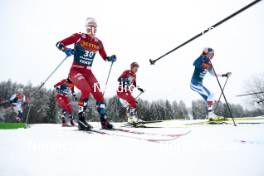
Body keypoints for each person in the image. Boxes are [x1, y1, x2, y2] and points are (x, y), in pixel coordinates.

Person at [56, 17, 116, 130]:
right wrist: (66, 49)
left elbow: (104, 57)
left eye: (94, 26)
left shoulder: (98, 42)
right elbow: (59, 43)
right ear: (86, 27)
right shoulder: (79, 36)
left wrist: (110, 58)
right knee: (86, 90)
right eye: (90, 26)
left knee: (98, 93)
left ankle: (104, 120)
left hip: (88, 71)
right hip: (75, 70)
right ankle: (81, 120)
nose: (92, 28)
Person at [190, 47, 231, 120]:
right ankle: (210, 114)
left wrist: (224, 75)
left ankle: (210, 115)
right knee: (210, 94)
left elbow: (213, 74)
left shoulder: (209, 63)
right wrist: (203, 54)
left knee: (209, 98)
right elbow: (194, 63)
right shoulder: (201, 59)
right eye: (210, 54)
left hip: (199, 84)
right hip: (195, 84)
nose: (212, 56)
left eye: (213, 54)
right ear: (206, 53)